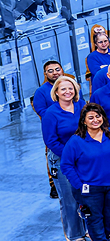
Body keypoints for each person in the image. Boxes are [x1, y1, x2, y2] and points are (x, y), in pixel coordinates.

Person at [60, 103, 110, 241]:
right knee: (94, 217)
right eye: (91, 117)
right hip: (90, 189)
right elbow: (66, 165)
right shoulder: (76, 141)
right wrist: (79, 185)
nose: (95, 120)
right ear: (84, 121)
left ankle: (106, 237)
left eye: (98, 116)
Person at [41, 74, 86, 241]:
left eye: (70, 88)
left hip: (83, 158)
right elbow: (51, 141)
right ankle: (73, 233)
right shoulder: (51, 113)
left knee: (86, 194)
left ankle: (87, 227)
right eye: (63, 89)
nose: (67, 91)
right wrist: (70, 156)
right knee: (69, 198)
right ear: (56, 92)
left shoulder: (82, 106)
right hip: (61, 160)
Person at [32, 59, 64, 198]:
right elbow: (41, 111)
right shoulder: (41, 92)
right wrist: (61, 117)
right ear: (45, 74)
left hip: (73, 129)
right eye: (50, 71)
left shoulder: (70, 86)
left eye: (57, 69)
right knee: (53, 157)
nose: (55, 73)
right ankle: (54, 184)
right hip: (53, 130)